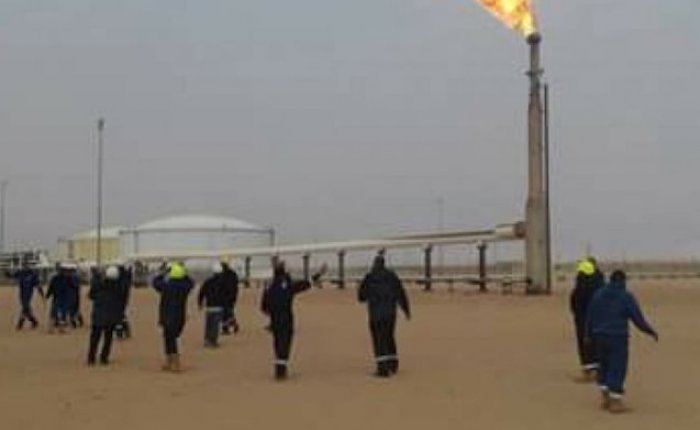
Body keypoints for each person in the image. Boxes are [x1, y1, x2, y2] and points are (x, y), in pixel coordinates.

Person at [586, 270, 658, 413]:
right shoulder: (625, 296)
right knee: (617, 366)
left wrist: (587, 334)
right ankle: (615, 400)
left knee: (604, 365)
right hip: (617, 336)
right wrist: (650, 331)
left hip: (599, 336)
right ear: (623, 281)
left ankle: (605, 396)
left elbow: (590, 316)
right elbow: (637, 318)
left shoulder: (598, 295)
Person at [260, 260, 324, 380]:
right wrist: (318, 275)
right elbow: (303, 285)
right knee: (285, 342)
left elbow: (263, 307)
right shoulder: (287, 284)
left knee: (278, 342)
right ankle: (281, 369)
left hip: (274, 320)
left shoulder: (269, 285)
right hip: (286, 318)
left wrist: (271, 313)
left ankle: (279, 367)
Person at [358, 254, 411, 377]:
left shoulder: (369, 277)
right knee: (389, 337)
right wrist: (406, 310)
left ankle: (382, 368)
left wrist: (369, 295)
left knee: (378, 340)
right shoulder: (392, 276)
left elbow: (361, 297)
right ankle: (393, 364)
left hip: (375, 315)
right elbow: (401, 293)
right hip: (390, 314)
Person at [152, 262, 194, 372]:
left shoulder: (167, 286)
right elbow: (191, 282)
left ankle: (174, 362)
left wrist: (162, 273)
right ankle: (170, 361)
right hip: (180, 316)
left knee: (169, 339)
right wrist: (184, 273)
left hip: (167, 316)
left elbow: (155, 283)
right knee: (172, 338)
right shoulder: (184, 287)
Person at [570, 258, 604, 382]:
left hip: (584, 316)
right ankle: (599, 370)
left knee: (586, 343)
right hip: (598, 316)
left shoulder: (583, 280)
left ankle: (590, 371)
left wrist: (576, 310)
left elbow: (578, 297)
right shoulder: (600, 280)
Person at [87, 266, 124, 366]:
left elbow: (91, 296)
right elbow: (121, 301)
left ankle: (91, 358)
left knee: (95, 338)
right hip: (111, 316)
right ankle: (104, 358)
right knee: (108, 338)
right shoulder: (118, 287)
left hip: (98, 314)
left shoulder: (98, 285)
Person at [7, 262, 45, 330]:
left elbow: (38, 285)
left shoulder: (33, 274)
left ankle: (20, 323)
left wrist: (41, 293)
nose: (25, 267)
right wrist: (7, 274)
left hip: (29, 293)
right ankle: (34, 321)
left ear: (29, 266)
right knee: (26, 308)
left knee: (25, 307)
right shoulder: (20, 273)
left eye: (26, 266)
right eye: (23, 266)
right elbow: (13, 276)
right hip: (22, 293)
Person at [198, 262, 226, 348]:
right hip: (218, 307)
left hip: (209, 306)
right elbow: (225, 295)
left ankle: (207, 340)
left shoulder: (208, 282)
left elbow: (201, 293)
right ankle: (212, 341)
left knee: (208, 324)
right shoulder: (222, 283)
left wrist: (200, 303)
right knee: (215, 325)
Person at [46, 264, 72, 333]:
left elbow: (51, 288)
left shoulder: (65, 279)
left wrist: (48, 295)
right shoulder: (63, 278)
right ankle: (54, 328)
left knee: (58, 313)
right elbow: (51, 287)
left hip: (62, 298)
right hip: (60, 298)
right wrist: (48, 295)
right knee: (58, 313)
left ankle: (57, 328)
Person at [220, 261, 240, 335]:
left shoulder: (224, 275)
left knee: (226, 313)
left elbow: (221, 286)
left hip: (226, 296)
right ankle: (231, 326)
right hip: (230, 296)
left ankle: (227, 328)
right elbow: (236, 285)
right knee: (228, 312)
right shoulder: (232, 274)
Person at [115, 265, 133, 340]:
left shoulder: (121, 280)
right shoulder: (126, 278)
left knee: (118, 316)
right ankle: (126, 330)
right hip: (123, 299)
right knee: (121, 315)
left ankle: (120, 332)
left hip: (119, 299)